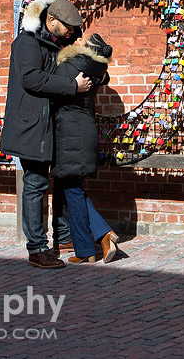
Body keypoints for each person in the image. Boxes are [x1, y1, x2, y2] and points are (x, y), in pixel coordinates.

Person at [0, 0, 92, 269]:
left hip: (55, 126)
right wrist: (72, 86)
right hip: (31, 127)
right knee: (35, 184)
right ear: (51, 21)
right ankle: (37, 248)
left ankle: (63, 237)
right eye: (68, 27)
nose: (73, 32)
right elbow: (32, 79)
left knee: (62, 180)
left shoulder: (58, 44)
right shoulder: (27, 43)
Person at [51, 31, 120, 264]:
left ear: (88, 49)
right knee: (74, 188)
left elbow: (50, 90)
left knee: (73, 189)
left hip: (70, 133)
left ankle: (96, 241)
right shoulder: (98, 70)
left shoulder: (70, 66)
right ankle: (90, 246)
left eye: (83, 40)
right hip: (86, 129)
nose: (77, 40)